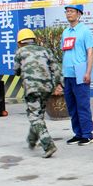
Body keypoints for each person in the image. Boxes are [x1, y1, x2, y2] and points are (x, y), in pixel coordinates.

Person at [13, 29, 60, 159]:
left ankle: (48, 145)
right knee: (38, 115)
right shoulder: (46, 50)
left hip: (32, 89)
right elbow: (56, 69)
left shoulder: (20, 52)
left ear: (20, 42)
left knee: (34, 116)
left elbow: (16, 70)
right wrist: (56, 85)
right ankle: (32, 139)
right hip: (47, 88)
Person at [61, 4, 93, 146]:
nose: (68, 13)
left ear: (79, 14)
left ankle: (87, 134)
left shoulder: (85, 31)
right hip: (68, 74)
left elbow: (90, 52)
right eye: (67, 11)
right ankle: (78, 133)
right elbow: (64, 52)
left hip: (80, 73)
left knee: (82, 105)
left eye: (71, 11)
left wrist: (88, 72)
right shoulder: (65, 32)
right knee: (72, 106)